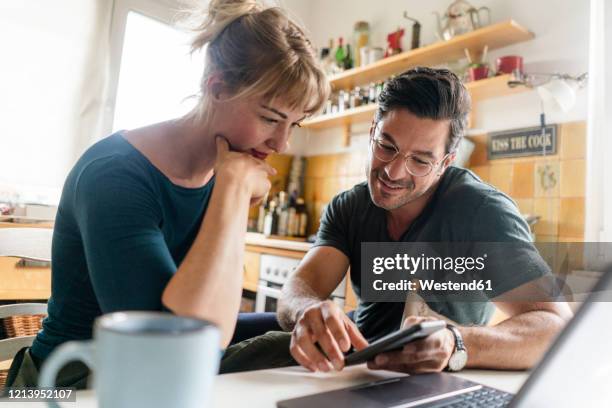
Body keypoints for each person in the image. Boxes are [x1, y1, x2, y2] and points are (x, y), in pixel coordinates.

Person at [5, 0, 328, 388]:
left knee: (303, 352)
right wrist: (235, 193)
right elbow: (171, 350)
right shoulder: (115, 175)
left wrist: (304, 321)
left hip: (153, 370)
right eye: (271, 119)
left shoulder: (224, 172)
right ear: (217, 86)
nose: (281, 143)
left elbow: (209, 321)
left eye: (294, 124)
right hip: (65, 385)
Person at [277, 67, 573, 374]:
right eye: (386, 146)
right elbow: (298, 287)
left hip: (441, 381)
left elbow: (556, 327)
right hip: (355, 369)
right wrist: (307, 310)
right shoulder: (350, 206)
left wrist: (456, 343)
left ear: (445, 163)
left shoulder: (482, 213)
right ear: (372, 133)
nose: (393, 172)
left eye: (420, 160)